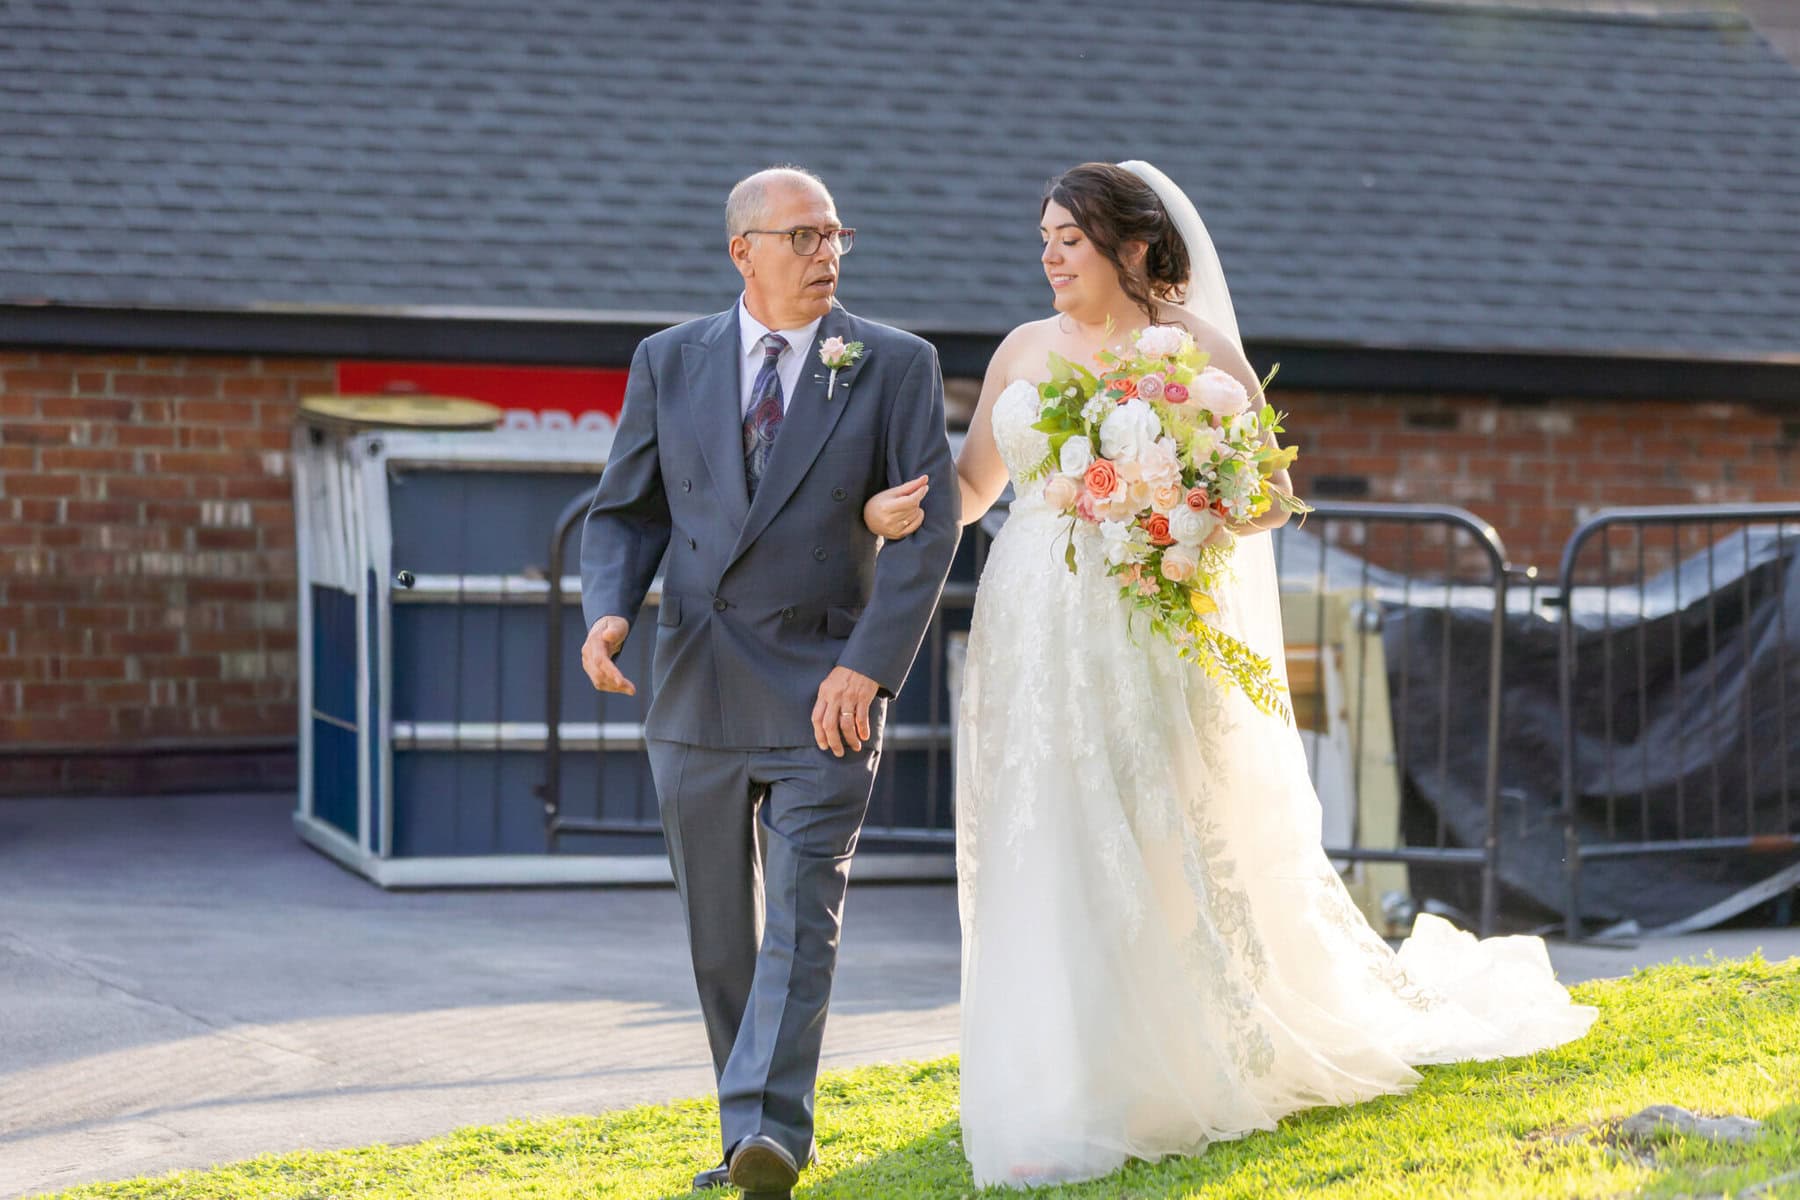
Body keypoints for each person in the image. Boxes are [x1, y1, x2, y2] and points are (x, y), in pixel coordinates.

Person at [862, 161, 1596, 1188]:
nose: (1051, 258)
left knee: (1152, 826)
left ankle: (1168, 1057)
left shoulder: (1198, 352)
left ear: (1130, 246)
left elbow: (1270, 499)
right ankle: (1052, 1070)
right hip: (1031, 627)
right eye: (1045, 240)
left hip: (1141, 624)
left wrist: (1169, 507)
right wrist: (893, 506)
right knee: (1045, 824)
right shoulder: (1022, 349)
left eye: (1070, 239)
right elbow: (976, 487)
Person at [579, 165, 959, 1198]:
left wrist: (867, 667)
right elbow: (628, 509)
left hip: (825, 689)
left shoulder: (895, 363)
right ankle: (745, 1124)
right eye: (803, 236)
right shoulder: (669, 359)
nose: (826, 253)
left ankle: (767, 1138)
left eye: (836, 234)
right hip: (695, 682)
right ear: (742, 251)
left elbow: (929, 533)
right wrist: (610, 608)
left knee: (801, 916)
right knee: (720, 935)